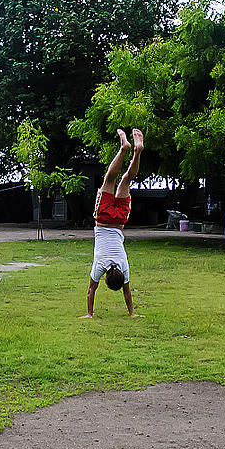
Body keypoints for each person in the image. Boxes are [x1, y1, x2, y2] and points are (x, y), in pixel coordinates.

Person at [80, 128, 144, 319]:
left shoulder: (124, 267)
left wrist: (133, 313)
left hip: (119, 222)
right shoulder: (99, 266)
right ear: (106, 279)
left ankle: (136, 151)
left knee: (125, 180)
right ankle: (124, 148)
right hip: (103, 219)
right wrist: (89, 314)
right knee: (110, 178)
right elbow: (91, 291)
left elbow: (127, 292)